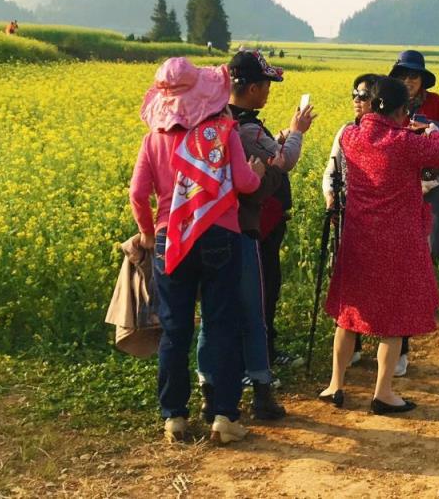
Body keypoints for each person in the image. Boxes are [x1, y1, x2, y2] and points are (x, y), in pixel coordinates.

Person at [129, 57, 265, 444]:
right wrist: (256, 171)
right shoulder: (223, 131)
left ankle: (174, 418)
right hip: (219, 235)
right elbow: (245, 183)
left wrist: (145, 231)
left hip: (168, 239)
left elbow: (138, 194)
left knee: (175, 329)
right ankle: (224, 417)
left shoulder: (153, 138)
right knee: (222, 324)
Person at [319, 77, 439, 414]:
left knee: (348, 313)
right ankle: (383, 392)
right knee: (393, 319)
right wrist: (427, 130)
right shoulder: (404, 142)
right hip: (397, 241)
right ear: (402, 109)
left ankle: (335, 385)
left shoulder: (349, 135)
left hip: (358, 238)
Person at [228, 50, 315, 369]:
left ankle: (265, 349)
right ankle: (260, 355)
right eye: (267, 85)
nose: (268, 91)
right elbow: (285, 161)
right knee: (263, 289)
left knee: (263, 287)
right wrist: (297, 131)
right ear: (252, 89)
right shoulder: (244, 127)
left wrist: (277, 140)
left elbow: (271, 153)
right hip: (259, 221)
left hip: (259, 219)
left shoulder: (231, 120)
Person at [322, 73, 411, 375]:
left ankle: (395, 356)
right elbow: (331, 168)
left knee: (386, 295)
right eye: (354, 95)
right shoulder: (347, 132)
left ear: (379, 101)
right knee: (355, 295)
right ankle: (356, 352)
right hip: (351, 219)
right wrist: (330, 196)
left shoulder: (399, 138)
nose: (357, 101)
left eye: (363, 96)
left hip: (379, 225)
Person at [390, 49, 439, 259]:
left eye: (413, 76)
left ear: (422, 79)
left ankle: (437, 265)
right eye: (402, 75)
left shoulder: (435, 101)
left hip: (431, 177)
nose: (408, 81)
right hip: (400, 177)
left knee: (433, 234)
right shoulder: (390, 103)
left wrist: (431, 128)